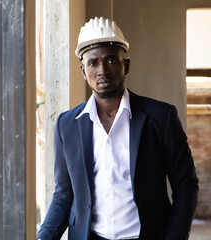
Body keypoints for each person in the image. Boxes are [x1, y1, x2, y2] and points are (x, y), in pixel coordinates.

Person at [36, 17, 198, 240]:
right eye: (93, 63)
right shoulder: (67, 125)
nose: (102, 70)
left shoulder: (161, 118)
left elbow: (186, 185)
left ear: (126, 65)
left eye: (111, 60)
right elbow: (64, 194)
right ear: (83, 71)